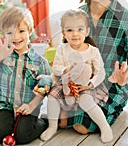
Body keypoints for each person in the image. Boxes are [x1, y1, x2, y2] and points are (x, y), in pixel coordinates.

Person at [59, 0, 128, 137]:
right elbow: (66, 51)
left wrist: (123, 77)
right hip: (79, 84)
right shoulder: (77, 15)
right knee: (60, 120)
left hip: (110, 85)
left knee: (81, 127)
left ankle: (116, 106)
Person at [40, 9, 113, 143]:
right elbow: (55, 67)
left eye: (80, 29)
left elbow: (100, 72)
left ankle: (104, 126)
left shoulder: (92, 51)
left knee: (86, 101)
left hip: (85, 86)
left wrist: (90, 84)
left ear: (87, 31)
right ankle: (52, 126)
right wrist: (64, 70)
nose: (75, 34)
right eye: (69, 30)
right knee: (52, 97)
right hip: (65, 84)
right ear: (63, 33)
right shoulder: (62, 48)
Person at [0, 6, 52, 144]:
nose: (16, 37)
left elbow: (43, 89)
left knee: (22, 137)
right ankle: (11, 121)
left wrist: (32, 106)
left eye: (21, 31)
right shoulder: (4, 56)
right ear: (4, 33)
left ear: (30, 31)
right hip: (6, 106)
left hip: (28, 107)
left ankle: (43, 122)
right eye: (10, 32)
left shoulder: (40, 62)